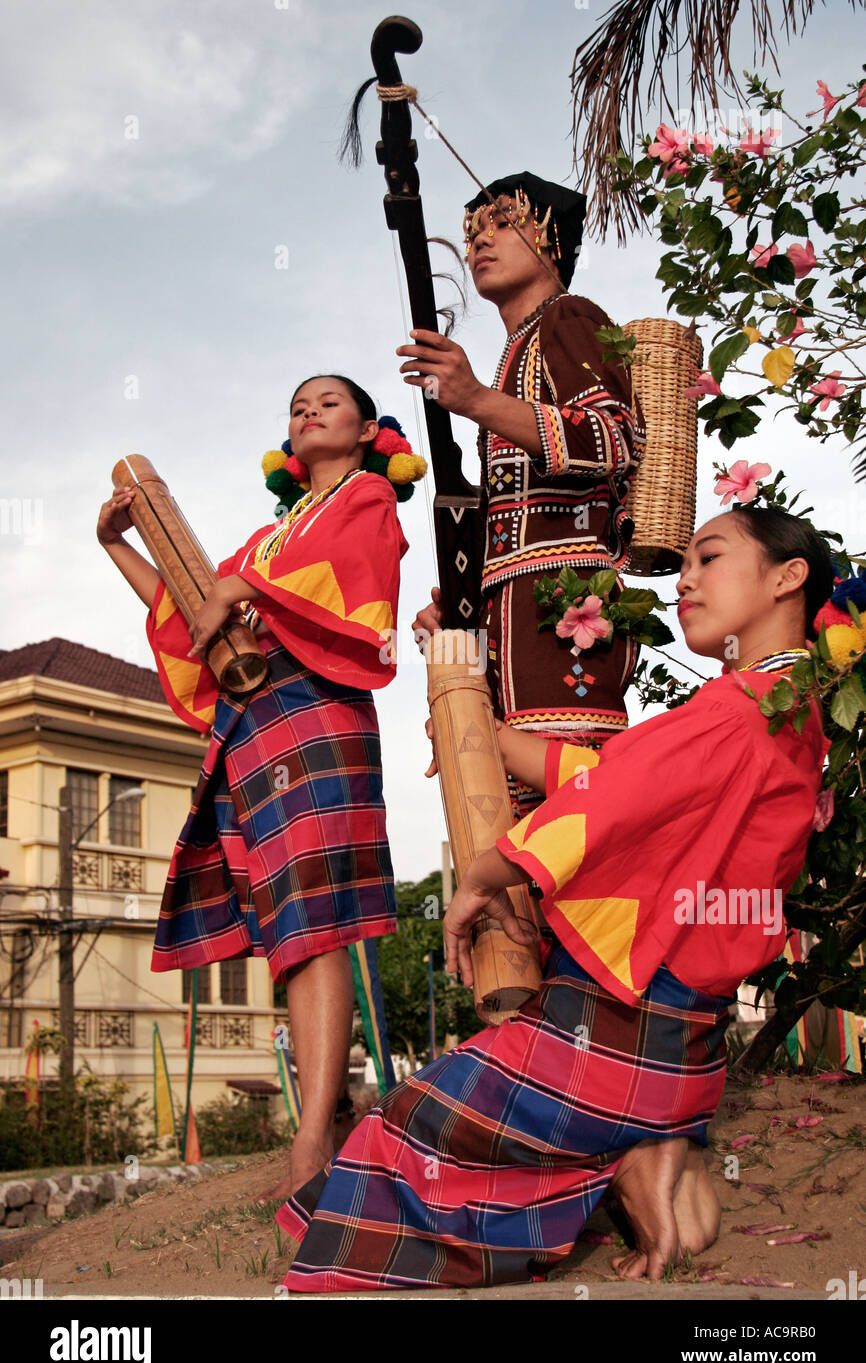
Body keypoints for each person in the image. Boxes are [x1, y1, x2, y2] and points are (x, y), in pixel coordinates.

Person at [273, 503, 832, 1290]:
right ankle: (652, 1145)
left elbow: (614, 796)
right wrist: (470, 710)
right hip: (683, 1038)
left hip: (620, 1025)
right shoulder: (783, 707)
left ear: (788, 576)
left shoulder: (740, 712)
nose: (687, 578)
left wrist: (486, 872)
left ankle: (635, 1150)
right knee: (463, 1119)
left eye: (709, 557)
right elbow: (606, 776)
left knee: (398, 1133)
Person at [97, 376, 425, 1198]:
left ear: (366, 431)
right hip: (257, 721)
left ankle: (311, 1135)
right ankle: (327, 1115)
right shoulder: (271, 536)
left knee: (316, 915)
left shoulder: (365, 501)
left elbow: (351, 584)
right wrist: (121, 544)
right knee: (292, 930)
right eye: (296, 406)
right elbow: (190, 608)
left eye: (328, 402)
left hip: (317, 712)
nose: (307, 412)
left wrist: (242, 591)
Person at [406, 172, 646, 815]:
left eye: (504, 221)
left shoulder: (570, 317)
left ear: (552, 238)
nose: (482, 238)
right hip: (508, 614)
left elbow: (615, 439)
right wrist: (462, 603)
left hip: (566, 609)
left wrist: (478, 401)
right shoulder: (516, 349)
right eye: (474, 229)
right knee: (505, 807)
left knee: (568, 799)